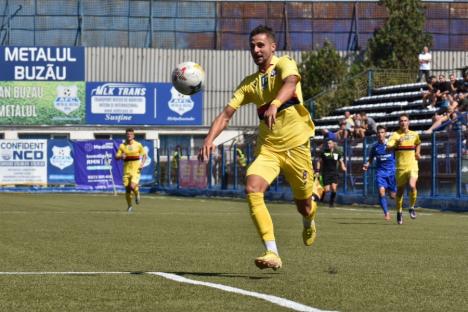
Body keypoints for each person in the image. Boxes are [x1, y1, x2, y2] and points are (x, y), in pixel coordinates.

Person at [198, 25, 317, 271]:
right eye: (252, 46)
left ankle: (309, 221)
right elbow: (226, 115)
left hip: (296, 147)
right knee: (252, 187)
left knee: (303, 206)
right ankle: (272, 252)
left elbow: (292, 82)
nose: (256, 49)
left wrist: (275, 103)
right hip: (270, 149)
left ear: (273, 46)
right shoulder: (249, 84)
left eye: (261, 45)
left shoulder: (285, 63)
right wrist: (209, 139)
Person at [386, 114, 421, 225]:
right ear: (399, 123)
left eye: (405, 120)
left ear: (408, 122)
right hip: (400, 167)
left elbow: (418, 143)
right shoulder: (395, 135)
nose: (403, 122)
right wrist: (396, 143)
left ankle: (411, 207)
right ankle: (399, 212)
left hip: (412, 166)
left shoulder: (414, 134)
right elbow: (388, 147)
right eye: (401, 121)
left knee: (412, 186)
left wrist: (417, 152)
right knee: (400, 192)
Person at [362, 126, 396, 220]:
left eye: (382, 132)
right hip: (380, 173)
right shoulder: (375, 147)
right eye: (379, 133)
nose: (380, 134)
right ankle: (386, 213)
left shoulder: (391, 145)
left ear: (385, 134)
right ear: (377, 134)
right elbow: (370, 159)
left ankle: (391, 191)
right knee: (381, 193)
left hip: (391, 173)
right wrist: (367, 164)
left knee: (393, 196)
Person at [115, 128, 147, 213]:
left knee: (132, 186)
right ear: (126, 135)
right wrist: (121, 156)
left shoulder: (138, 145)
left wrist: (142, 164)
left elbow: (144, 155)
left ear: (133, 135)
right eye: (128, 134)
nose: (129, 136)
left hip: (136, 169)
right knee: (128, 189)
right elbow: (116, 157)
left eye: (131, 134)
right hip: (126, 170)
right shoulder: (122, 146)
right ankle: (129, 206)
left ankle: (137, 194)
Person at [316, 139, 346, 208]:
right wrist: (317, 171)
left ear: (333, 145)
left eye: (330, 143)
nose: (328, 145)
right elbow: (318, 162)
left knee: (334, 188)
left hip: (334, 173)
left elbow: (341, 161)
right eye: (327, 143)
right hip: (326, 173)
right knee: (327, 189)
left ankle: (331, 203)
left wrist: (343, 167)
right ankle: (320, 199)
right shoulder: (324, 153)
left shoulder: (337, 153)